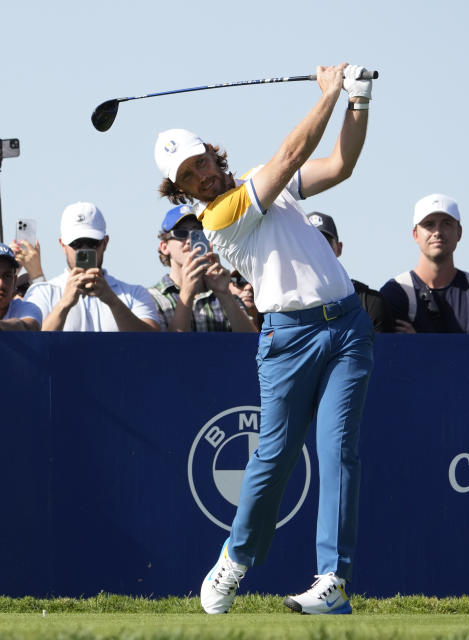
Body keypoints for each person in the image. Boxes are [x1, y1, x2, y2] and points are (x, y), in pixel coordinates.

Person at [155, 63, 374, 615]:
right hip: (288, 339)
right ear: (181, 191)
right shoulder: (220, 216)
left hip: (346, 326)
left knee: (337, 451)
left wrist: (359, 101)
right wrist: (328, 93)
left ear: (214, 154)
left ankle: (333, 582)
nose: (203, 174)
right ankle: (234, 560)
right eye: (190, 174)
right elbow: (291, 156)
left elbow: (341, 165)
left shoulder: (261, 185)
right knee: (273, 458)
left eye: (203, 160)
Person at [379, 194, 469, 334]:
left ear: (459, 232)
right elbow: (391, 352)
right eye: (429, 224)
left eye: (446, 223)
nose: (437, 232)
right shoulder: (395, 292)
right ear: (415, 234)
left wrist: (418, 343)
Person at [24, 202, 160, 332]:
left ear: (105, 243)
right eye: (76, 243)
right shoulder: (41, 292)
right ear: (62, 245)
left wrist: (113, 301)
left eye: (92, 243)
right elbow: (32, 344)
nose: (84, 250)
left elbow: (152, 343)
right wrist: (64, 304)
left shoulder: (135, 293)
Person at [148, 204, 257, 332]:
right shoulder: (153, 298)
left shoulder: (224, 294)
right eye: (181, 233)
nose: (189, 240)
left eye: (198, 233)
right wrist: (187, 292)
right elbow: (170, 349)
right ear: (164, 247)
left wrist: (225, 294)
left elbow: (250, 344)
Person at [308, 211, 394, 332]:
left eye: (325, 243)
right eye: (309, 243)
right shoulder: (285, 304)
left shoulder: (370, 302)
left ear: (339, 248)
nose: (318, 250)